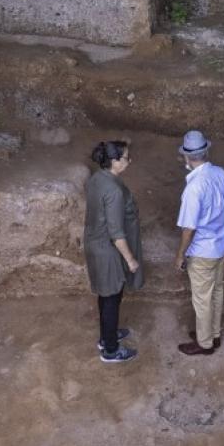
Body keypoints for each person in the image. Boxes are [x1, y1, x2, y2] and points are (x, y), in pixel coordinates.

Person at [83, 140, 144, 363]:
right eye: (126, 157)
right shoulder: (114, 191)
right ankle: (110, 350)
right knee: (111, 297)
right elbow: (116, 233)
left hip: (94, 243)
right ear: (114, 161)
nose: (130, 160)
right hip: (107, 250)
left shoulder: (97, 178)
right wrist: (131, 260)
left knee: (106, 293)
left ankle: (107, 335)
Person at [174, 129, 224, 356]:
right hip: (220, 245)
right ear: (206, 151)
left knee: (202, 300)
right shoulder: (221, 174)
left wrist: (180, 254)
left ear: (187, 157)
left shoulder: (194, 188)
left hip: (202, 251)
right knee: (216, 291)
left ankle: (205, 343)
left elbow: (189, 228)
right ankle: (213, 334)